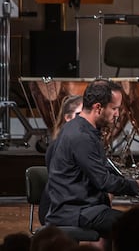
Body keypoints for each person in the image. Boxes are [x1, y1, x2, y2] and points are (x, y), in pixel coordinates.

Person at [45, 79, 139, 251]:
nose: (117, 114)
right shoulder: (81, 137)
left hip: (83, 207)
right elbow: (103, 181)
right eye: (114, 108)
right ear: (98, 108)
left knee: (132, 222)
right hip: (75, 211)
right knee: (137, 229)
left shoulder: (81, 129)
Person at [39, 95, 83, 225]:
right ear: (68, 118)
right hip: (57, 208)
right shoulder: (59, 145)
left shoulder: (79, 142)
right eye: (79, 115)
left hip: (70, 204)